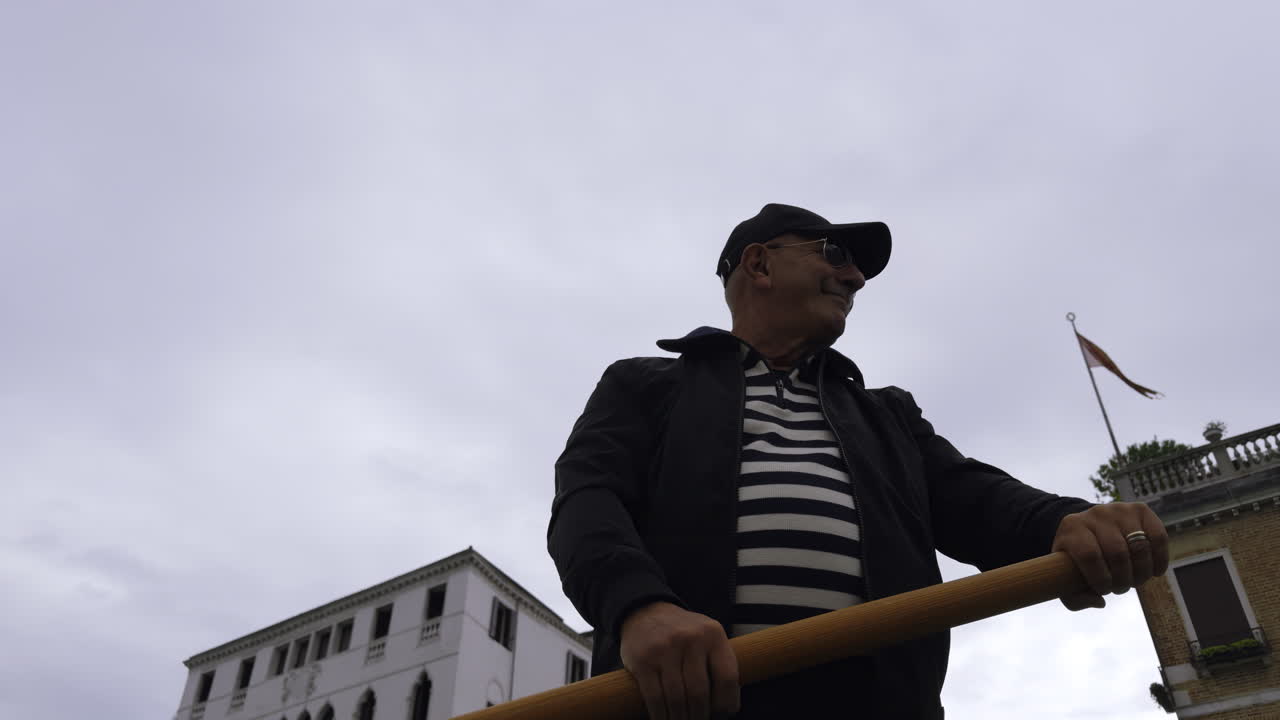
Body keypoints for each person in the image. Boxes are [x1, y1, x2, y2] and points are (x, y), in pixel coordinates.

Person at [547, 203, 1169, 719]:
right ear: (759, 264)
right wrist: (639, 609)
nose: (855, 279)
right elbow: (588, 502)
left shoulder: (887, 414)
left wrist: (1066, 522)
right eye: (835, 254)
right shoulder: (646, 386)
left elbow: (974, 498)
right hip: (687, 704)